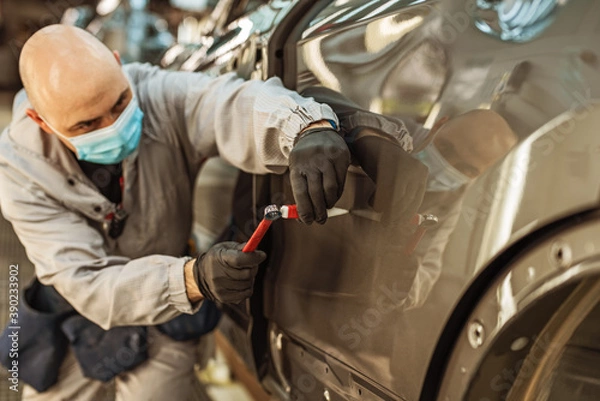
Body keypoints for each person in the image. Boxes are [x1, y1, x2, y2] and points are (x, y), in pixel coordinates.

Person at [0, 24, 350, 400]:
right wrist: (192, 278)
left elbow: (227, 103)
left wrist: (306, 127)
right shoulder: (19, 169)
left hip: (170, 314)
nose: (114, 126)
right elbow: (86, 281)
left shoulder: (156, 94)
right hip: (80, 309)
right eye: (87, 125)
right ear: (40, 120)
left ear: (120, 66)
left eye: (119, 103)